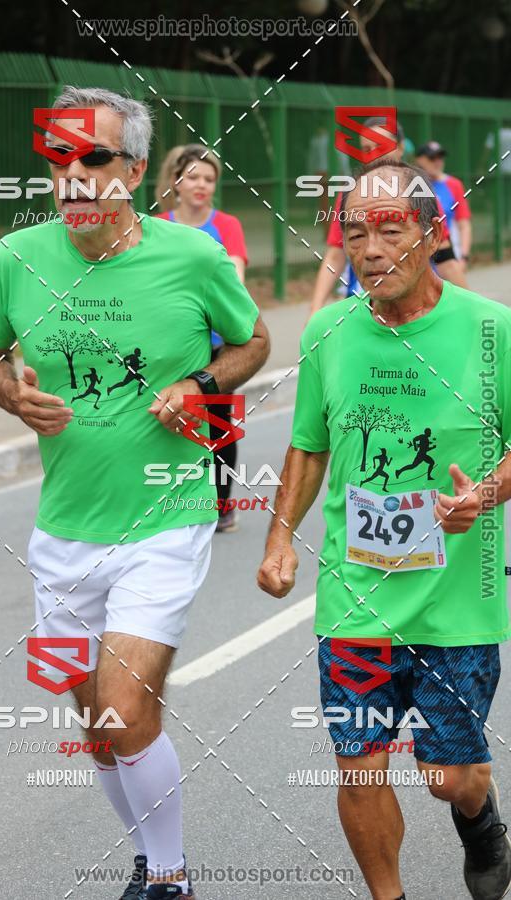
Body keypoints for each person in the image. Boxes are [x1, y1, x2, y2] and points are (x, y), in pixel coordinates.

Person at [0, 86, 269, 900]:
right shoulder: (14, 258)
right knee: (98, 733)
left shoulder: (193, 257)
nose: (73, 173)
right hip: (63, 529)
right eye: (59, 156)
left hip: (164, 517)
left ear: (134, 171)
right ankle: (149, 855)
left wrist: (200, 382)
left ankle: (170, 879)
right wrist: (11, 395)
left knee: (127, 715)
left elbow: (253, 341)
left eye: (94, 156)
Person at [258, 158, 511, 900]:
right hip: (356, 597)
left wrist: (488, 493)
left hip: (457, 602)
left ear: (433, 235)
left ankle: (481, 816)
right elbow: (309, 444)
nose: (369, 250)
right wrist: (279, 540)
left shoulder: (492, 330)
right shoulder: (329, 331)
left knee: (447, 776)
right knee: (359, 766)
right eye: (355, 232)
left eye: (390, 230)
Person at [155, 143, 248, 533]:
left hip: (214, 346)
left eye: (209, 179)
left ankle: (223, 504)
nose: (201, 185)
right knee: (166, 421)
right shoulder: (158, 224)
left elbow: (236, 283)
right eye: (193, 176)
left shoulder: (226, 226)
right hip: (167, 344)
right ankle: (165, 501)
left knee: (218, 424)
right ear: (176, 181)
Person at [308, 118, 468, 318]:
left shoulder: (421, 194)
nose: (374, 155)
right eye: (366, 149)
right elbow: (334, 255)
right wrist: (315, 309)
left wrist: (470, 313)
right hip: (363, 311)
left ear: (400, 148)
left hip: (417, 311)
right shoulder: (350, 195)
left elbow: (446, 261)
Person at [415, 141, 472, 269]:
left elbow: (464, 225)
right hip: (420, 261)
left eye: (440, 157)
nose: (437, 162)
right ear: (419, 160)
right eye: (432, 158)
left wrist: (463, 257)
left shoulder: (454, 184)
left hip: (448, 257)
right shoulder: (411, 185)